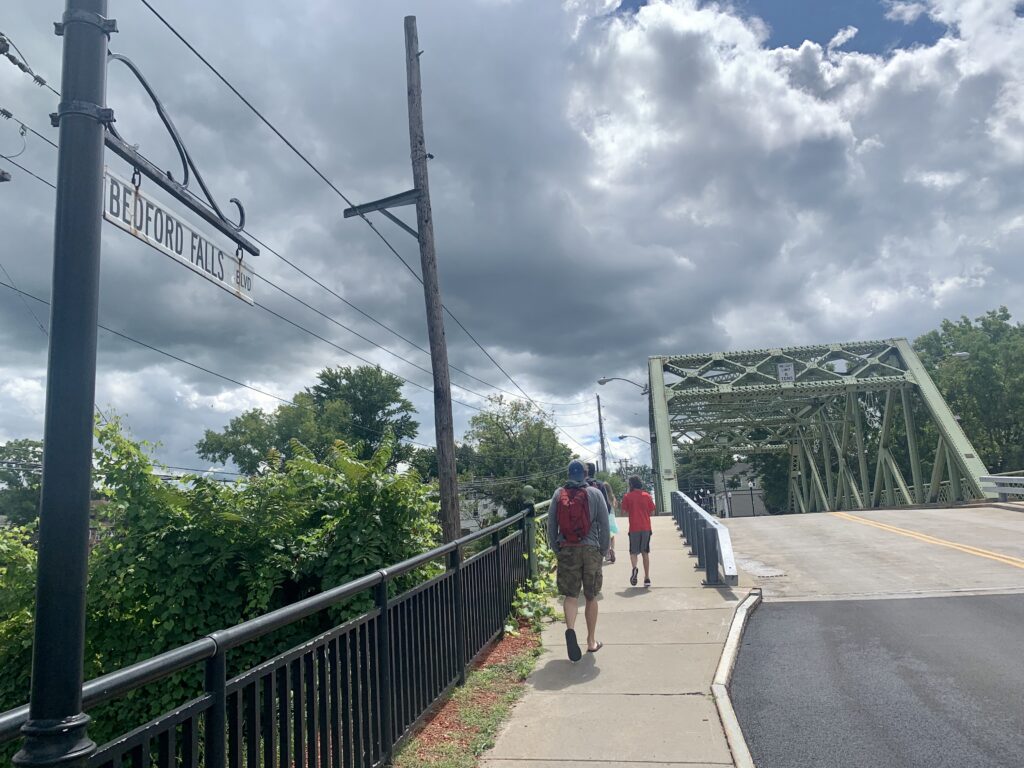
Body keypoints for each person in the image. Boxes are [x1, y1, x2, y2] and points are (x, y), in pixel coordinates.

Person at [548, 459, 610, 660]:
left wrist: (557, 548)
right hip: (591, 549)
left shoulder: (559, 494)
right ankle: (591, 641)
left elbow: (551, 525)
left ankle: (571, 629)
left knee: (571, 595)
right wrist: (603, 549)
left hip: (567, 548)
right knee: (591, 596)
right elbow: (604, 523)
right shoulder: (595, 493)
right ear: (585, 473)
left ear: (568, 473)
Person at [621, 475, 655, 587]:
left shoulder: (627, 497)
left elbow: (623, 513)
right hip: (646, 527)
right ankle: (647, 578)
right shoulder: (647, 496)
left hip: (634, 528)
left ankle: (635, 568)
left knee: (633, 552)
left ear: (631, 485)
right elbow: (653, 512)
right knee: (645, 552)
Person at [585, 462, 617, 563]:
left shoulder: (578, 484)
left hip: (583, 518)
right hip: (597, 518)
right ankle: (605, 552)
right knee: (602, 535)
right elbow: (606, 504)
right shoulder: (600, 484)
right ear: (594, 471)